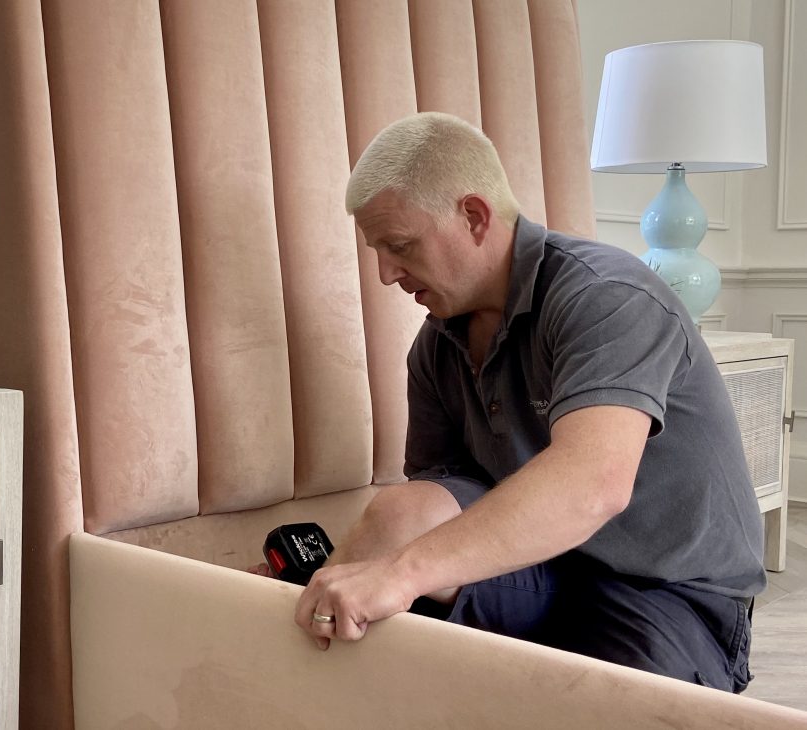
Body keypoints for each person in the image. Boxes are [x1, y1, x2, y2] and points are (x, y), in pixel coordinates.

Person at [293, 112, 763, 693]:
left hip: (666, 589)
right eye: (378, 252)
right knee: (398, 517)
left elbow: (591, 485)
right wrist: (337, 583)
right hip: (540, 570)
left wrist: (402, 572)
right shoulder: (436, 344)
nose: (387, 273)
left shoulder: (607, 297)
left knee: (612, 706)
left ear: (473, 216)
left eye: (399, 246)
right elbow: (435, 494)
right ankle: (296, 668)